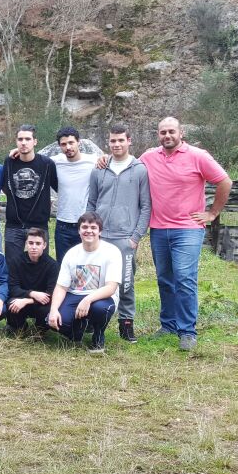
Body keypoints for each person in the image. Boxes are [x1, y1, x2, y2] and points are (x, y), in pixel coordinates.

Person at [139, 116, 231, 352]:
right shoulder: (150, 157)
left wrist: (212, 213)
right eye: (162, 132)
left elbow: (224, 181)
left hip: (187, 229)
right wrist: (102, 160)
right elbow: (127, 167)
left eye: (171, 131)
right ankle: (168, 325)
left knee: (184, 279)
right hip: (158, 228)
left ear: (181, 133)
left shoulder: (198, 156)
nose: (167, 136)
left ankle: (187, 331)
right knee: (164, 279)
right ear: (158, 135)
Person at [85, 123, 152, 343]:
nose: (116, 144)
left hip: (125, 237)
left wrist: (136, 237)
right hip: (100, 236)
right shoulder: (99, 169)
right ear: (108, 142)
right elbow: (92, 202)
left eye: (121, 140)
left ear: (129, 141)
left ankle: (126, 323)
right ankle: (92, 322)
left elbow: (145, 206)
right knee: (94, 280)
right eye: (113, 140)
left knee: (125, 282)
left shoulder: (140, 169)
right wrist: (89, 232)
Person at [48, 212, 122, 353]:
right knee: (53, 321)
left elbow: (111, 287)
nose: (89, 231)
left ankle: (98, 336)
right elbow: (61, 286)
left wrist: (87, 299)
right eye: (85, 227)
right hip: (75, 294)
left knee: (100, 309)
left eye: (93, 227)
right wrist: (53, 310)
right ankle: (79, 330)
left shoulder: (112, 252)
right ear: (79, 231)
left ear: (100, 231)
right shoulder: (71, 254)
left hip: (102, 297)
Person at [2, 125, 58, 257]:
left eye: (28, 139)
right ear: (16, 142)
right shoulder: (9, 162)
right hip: (14, 225)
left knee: (39, 267)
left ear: (35, 141)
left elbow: (58, 186)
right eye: (20, 139)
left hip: (39, 224)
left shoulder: (47, 164)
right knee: (13, 267)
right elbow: (5, 186)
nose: (23, 142)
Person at [0, 227, 58, 335]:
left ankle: (39, 330)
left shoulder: (52, 265)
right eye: (31, 243)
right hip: (22, 297)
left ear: (44, 245)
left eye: (38, 243)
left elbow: (51, 294)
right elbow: (13, 288)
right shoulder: (16, 261)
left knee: (47, 309)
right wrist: (31, 294)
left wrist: (28, 300)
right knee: (11, 303)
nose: (34, 247)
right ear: (26, 244)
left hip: (41, 303)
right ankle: (20, 327)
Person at [49, 126, 97, 261]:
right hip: (62, 225)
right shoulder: (55, 161)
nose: (68, 147)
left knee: (86, 267)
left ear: (78, 142)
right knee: (63, 267)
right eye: (64, 144)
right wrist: (17, 150)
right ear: (59, 146)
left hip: (85, 224)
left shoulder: (93, 161)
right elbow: (34, 159)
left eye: (71, 143)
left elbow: (114, 159)